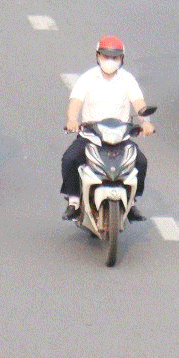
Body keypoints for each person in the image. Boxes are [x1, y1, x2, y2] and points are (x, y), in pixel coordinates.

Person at [60, 36, 153, 220]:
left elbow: (139, 103)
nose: (110, 61)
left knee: (141, 162)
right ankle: (74, 201)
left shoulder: (127, 79)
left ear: (121, 59)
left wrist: (146, 123)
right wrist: (72, 119)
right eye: (106, 56)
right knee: (70, 159)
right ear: (98, 57)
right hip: (91, 136)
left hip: (121, 138)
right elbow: (75, 102)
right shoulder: (87, 78)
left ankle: (132, 202)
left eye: (115, 57)